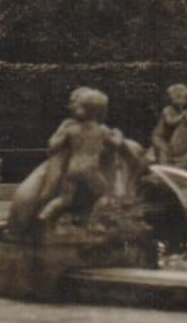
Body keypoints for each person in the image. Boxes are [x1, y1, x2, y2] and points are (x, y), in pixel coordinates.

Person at [37, 88, 129, 227]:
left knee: (64, 200)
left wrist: (60, 134)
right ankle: (93, 223)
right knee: (105, 196)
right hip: (91, 170)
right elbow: (116, 144)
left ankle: (43, 216)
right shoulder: (101, 130)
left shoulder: (70, 128)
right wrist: (119, 134)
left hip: (71, 170)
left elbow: (53, 145)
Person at [150, 82, 187, 165]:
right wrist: (183, 116)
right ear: (171, 99)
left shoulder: (182, 111)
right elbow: (170, 122)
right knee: (164, 150)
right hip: (160, 138)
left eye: (183, 98)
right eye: (178, 98)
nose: (181, 101)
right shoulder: (167, 110)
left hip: (171, 139)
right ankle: (163, 168)